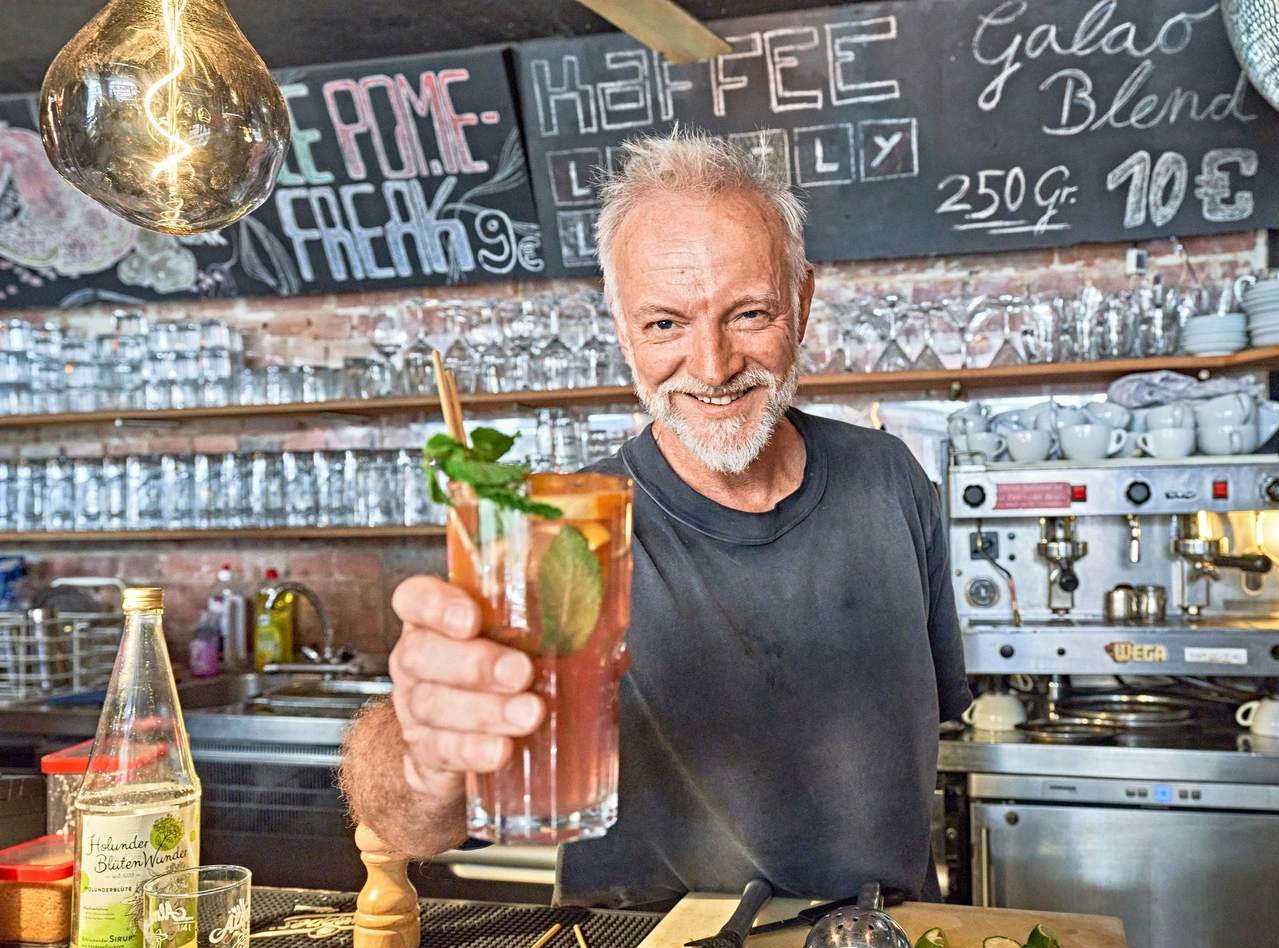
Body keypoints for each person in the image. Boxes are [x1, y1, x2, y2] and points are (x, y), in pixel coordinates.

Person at [338, 130, 969, 908]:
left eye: (749, 313)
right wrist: (422, 751)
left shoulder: (892, 480)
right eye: (665, 323)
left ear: (802, 303)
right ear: (622, 333)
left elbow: (933, 724)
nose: (711, 366)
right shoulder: (565, 531)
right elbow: (413, 824)